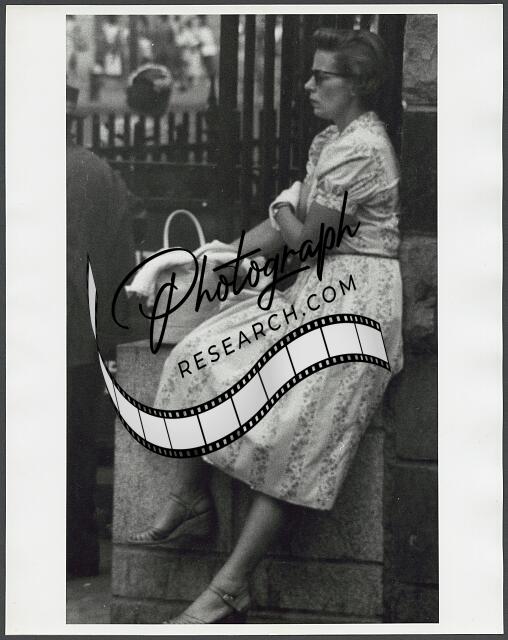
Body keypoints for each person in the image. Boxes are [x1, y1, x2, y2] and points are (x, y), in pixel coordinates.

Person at [130, 28, 403, 623]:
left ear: (357, 83)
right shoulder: (333, 140)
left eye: (321, 76)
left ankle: (229, 587)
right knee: (199, 353)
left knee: (294, 426)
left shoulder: (362, 148)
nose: (307, 85)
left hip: (358, 306)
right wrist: (222, 255)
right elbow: (289, 231)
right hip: (322, 292)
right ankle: (190, 497)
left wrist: (281, 209)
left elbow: (307, 243)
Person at [67, 85, 135, 576]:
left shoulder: (70, 171)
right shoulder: (93, 169)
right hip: (75, 335)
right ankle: (74, 551)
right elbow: (115, 262)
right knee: (73, 449)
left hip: (54, 331)